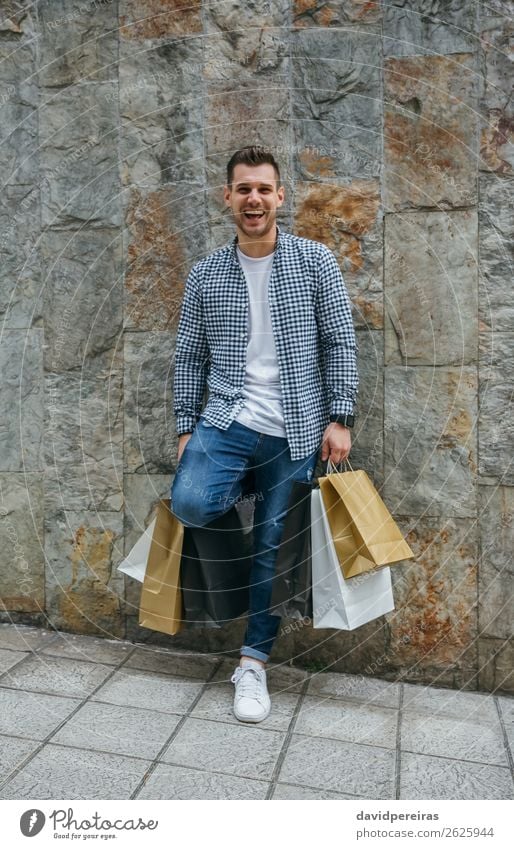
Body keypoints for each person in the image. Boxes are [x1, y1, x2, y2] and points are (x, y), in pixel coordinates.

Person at [170, 145, 358, 723]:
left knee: (276, 555)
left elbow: (339, 342)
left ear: (281, 197)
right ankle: (262, 563)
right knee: (192, 502)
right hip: (228, 420)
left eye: (264, 189)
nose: (254, 199)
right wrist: (185, 428)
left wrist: (340, 417)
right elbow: (188, 358)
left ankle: (252, 664)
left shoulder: (314, 262)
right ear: (227, 197)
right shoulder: (207, 273)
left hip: (298, 429)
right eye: (243, 189)